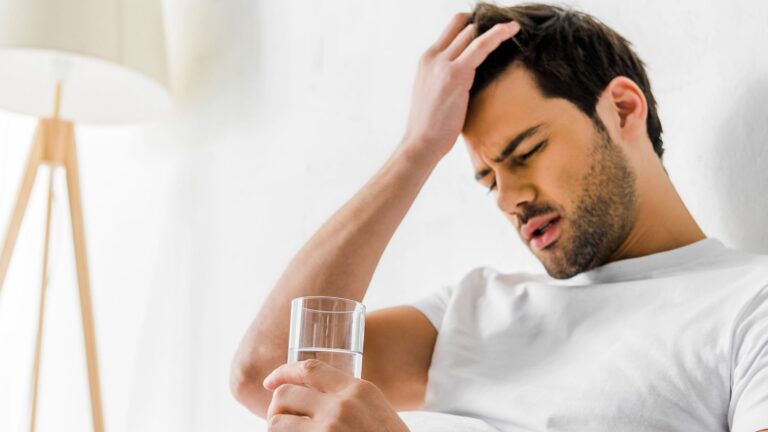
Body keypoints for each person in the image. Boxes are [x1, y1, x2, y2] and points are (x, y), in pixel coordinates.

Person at [230, 3, 768, 431]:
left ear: (623, 109)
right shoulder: (475, 310)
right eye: (488, 179)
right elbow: (271, 372)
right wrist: (417, 149)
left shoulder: (748, 305)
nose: (509, 197)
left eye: (526, 152)